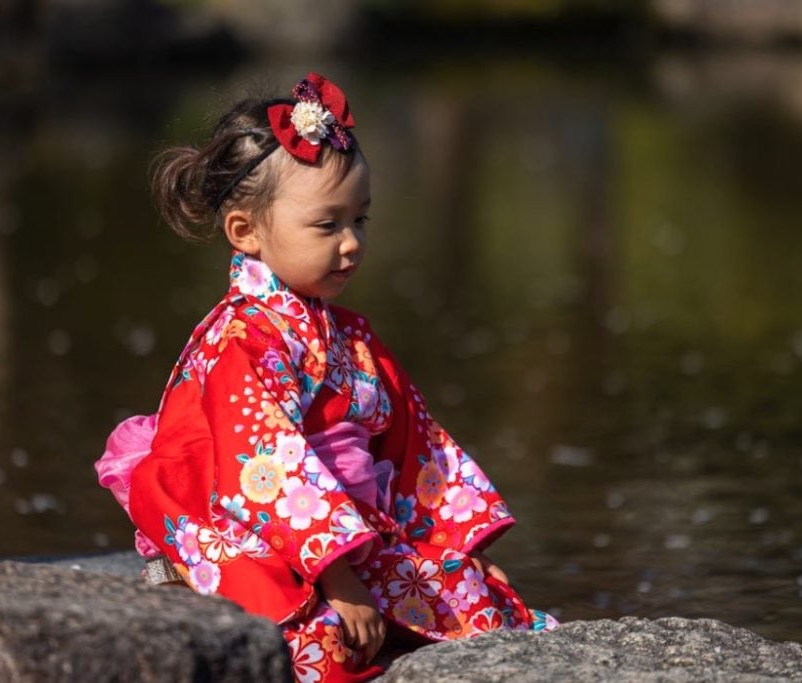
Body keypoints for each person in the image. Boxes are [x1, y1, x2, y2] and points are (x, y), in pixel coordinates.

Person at [94, 71, 557, 683]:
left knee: (479, 608)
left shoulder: (349, 334)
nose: (351, 244)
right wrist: (335, 574)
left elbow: (414, 447)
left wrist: (461, 549)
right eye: (327, 225)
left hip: (346, 531)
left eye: (360, 220)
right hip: (255, 528)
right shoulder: (240, 341)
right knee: (318, 645)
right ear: (245, 232)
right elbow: (264, 468)